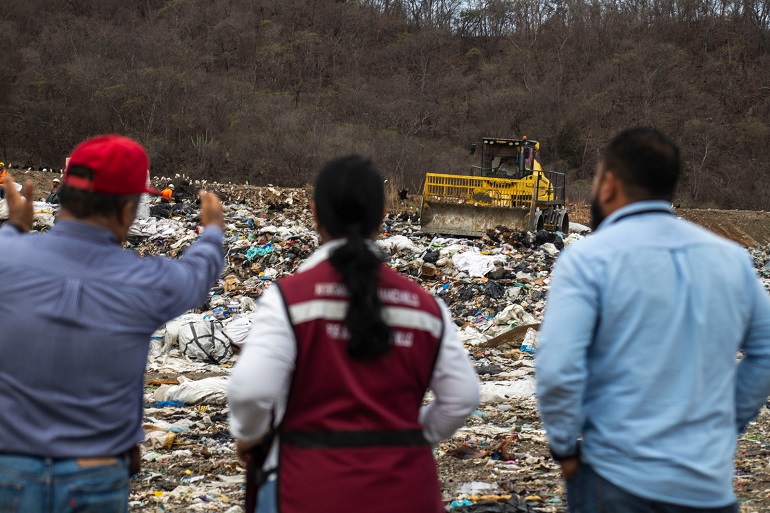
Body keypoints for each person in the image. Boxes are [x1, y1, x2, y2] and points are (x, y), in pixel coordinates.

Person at [536, 127, 770, 513]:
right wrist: (728, 422)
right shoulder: (732, 260)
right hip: (708, 489)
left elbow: (558, 368)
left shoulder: (588, 259)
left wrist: (564, 450)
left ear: (608, 184)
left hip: (615, 483)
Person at [228, 155, 480, 513]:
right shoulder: (427, 309)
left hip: (307, 489)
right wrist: (408, 437)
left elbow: (250, 391)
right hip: (407, 492)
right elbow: (463, 397)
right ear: (383, 214)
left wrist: (251, 437)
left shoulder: (289, 300)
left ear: (315, 213)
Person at [0, 135, 225, 512]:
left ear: (63, 197)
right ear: (127, 211)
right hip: (96, 475)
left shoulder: (7, 257)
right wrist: (213, 231)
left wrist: (15, 229)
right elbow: (199, 272)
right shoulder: (147, 281)